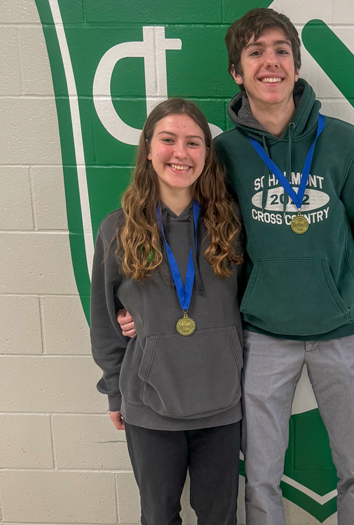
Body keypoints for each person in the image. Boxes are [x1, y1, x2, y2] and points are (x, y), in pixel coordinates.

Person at [119, 9, 354, 524]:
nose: (271, 61)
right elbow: (192, 236)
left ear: (296, 64)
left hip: (340, 330)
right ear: (237, 72)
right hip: (263, 336)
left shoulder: (342, 141)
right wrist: (137, 305)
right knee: (261, 474)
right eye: (255, 52)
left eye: (281, 50)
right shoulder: (221, 152)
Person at [91, 98, 245, 523]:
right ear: (148, 146)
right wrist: (114, 389)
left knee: (220, 516)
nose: (181, 152)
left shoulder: (231, 224)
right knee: (158, 516)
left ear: (207, 154)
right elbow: (106, 320)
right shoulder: (117, 229)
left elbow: (252, 304)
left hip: (222, 404)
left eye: (194, 142)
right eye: (168, 139)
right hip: (148, 405)